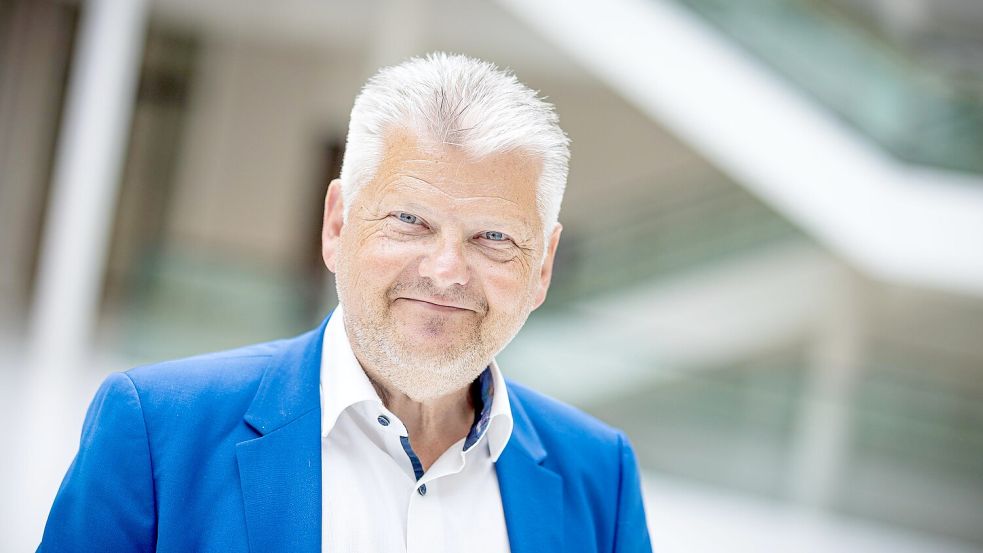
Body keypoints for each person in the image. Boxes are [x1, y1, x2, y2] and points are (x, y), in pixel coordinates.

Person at [38, 52, 652, 553]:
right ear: (337, 225)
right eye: (409, 220)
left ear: (542, 266)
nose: (446, 271)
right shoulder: (158, 431)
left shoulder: (601, 475)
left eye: (493, 237)